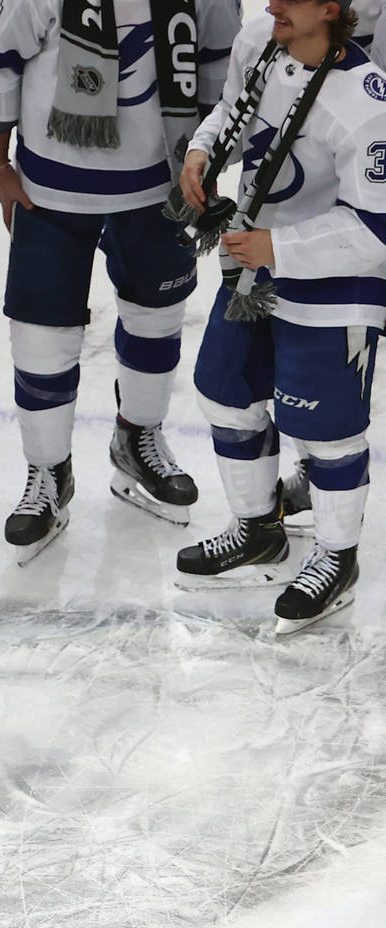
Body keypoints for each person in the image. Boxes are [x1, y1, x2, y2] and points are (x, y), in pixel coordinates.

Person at [0, 0, 241, 561]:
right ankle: (48, 470)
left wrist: (203, 163)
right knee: (41, 335)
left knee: (157, 318)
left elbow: (219, 63)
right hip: (51, 189)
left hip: (158, 185)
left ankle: (137, 437)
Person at [171, 0, 386, 631]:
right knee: (224, 390)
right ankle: (259, 532)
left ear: (331, 8)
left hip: (337, 279)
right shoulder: (264, 38)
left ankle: (337, 557)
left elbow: (377, 229)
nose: (269, 5)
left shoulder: (366, 104)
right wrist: (204, 150)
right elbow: (231, 106)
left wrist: (280, 247)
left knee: (325, 428)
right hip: (259, 262)